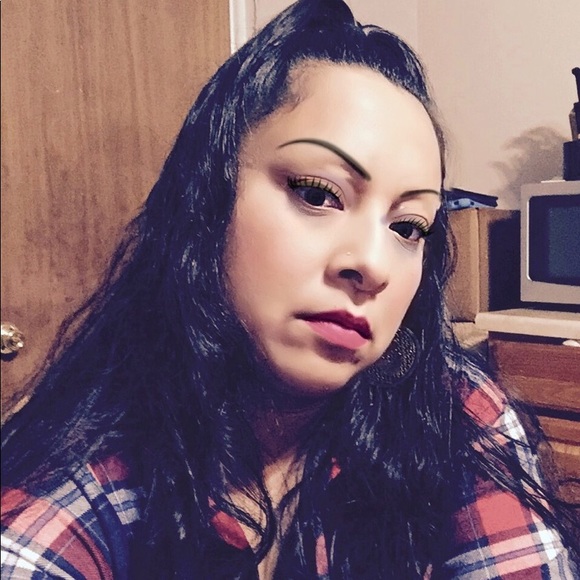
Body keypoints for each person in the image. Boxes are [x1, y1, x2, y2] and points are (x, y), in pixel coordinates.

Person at [1, 1, 578, 578]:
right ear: (208, 197)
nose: (373, 264)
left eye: (408, 228)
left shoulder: (452, 411)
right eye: (318, 193)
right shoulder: (81, 489)